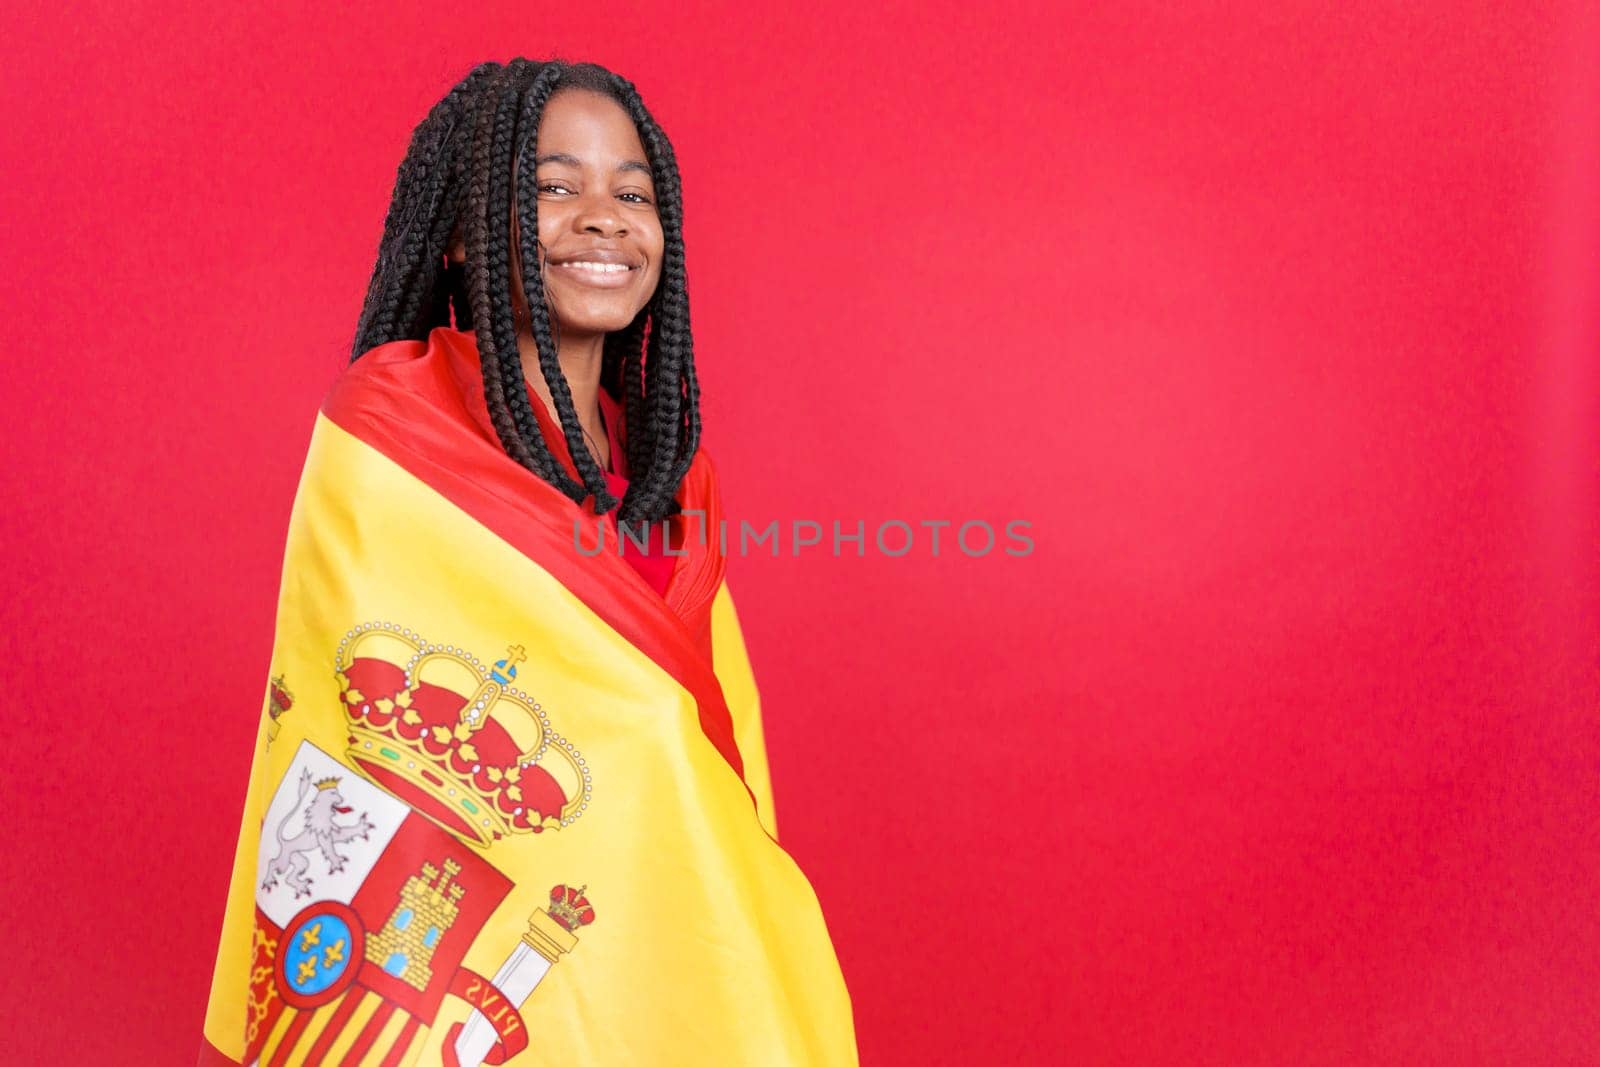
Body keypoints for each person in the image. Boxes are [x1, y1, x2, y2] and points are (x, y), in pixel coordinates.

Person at [197, 58, 857, 1066]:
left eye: (633, 193)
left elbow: (702, 753)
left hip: (675, 941)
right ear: (463, 230)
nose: (604, 217)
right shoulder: (391, 432)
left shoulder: (669, 475)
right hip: (483, 983)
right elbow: (355, 728)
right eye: (554, 186)